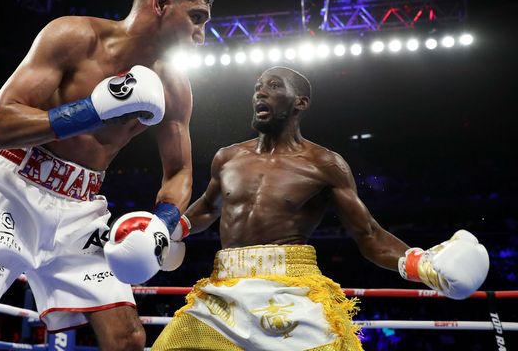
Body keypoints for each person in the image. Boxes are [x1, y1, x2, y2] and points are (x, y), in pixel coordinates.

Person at [0, 0, 213, 350]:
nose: (201, 35)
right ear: (161, 4)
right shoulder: (75, 36)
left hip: (81, 209)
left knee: (127, 338)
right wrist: (91, 111)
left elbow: (179, 170)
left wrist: (164, 220)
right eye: (196, 18)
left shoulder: (174, 86)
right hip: (12, 191)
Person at [151, 66, 489, 350]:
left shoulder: (323, 164)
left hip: (290, 289)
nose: (260, 93)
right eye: (257, 88)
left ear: (300, 102)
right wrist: (170, 231)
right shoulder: (228, 157)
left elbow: (368, 233)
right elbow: (208, 208)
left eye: (272, 86)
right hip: (222, 291)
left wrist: (420, 264)